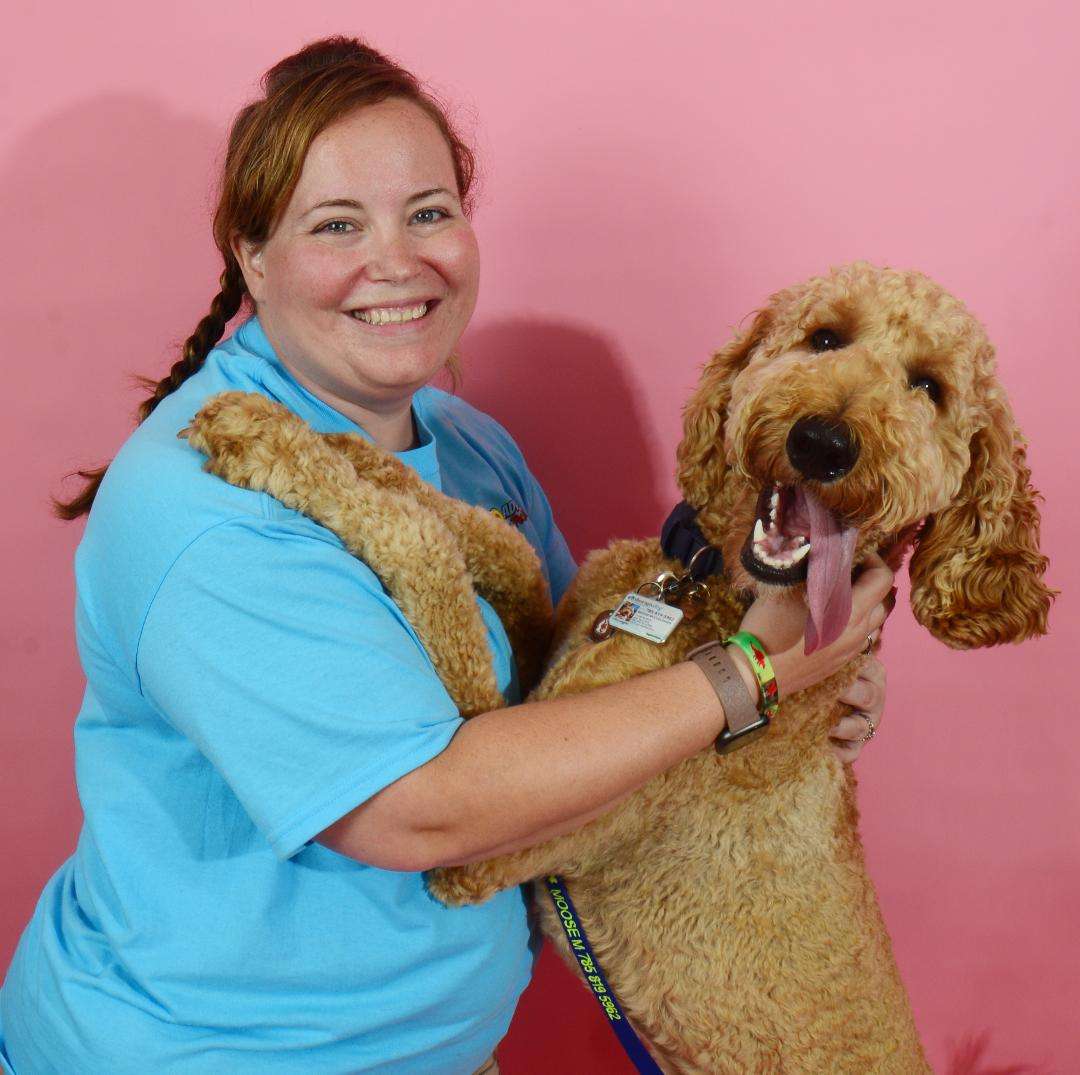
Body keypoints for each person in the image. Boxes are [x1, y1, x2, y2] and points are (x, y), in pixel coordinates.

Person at [0, 36, 893, 1075]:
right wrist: (756, 672)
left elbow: (586, 693)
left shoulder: (473, 449)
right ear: (252, 256)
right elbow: (413, 809)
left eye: (428, 212)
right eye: (337, 224)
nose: (396, 261)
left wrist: (809, 685)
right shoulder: (205, 499)